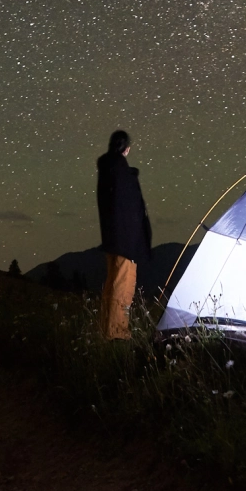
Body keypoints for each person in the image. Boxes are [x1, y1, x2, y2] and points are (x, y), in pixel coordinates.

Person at [96, 129, 152, 340]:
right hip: (125, 242)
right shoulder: (121, 173)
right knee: (122, 286)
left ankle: (107, 329)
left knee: (112, 284)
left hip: (112, 239)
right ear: (126, 149)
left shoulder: (107, 170)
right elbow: (131, 211)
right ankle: (117, 334)